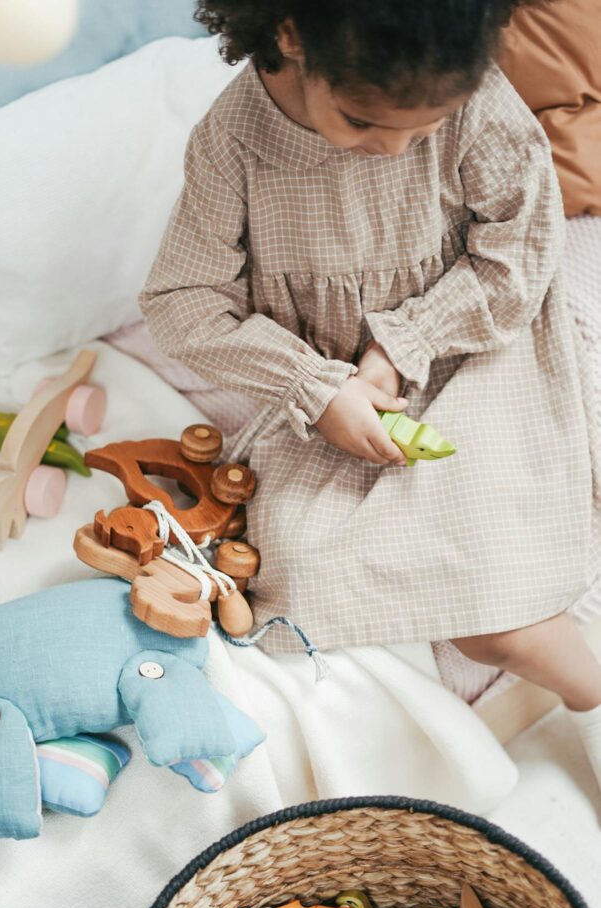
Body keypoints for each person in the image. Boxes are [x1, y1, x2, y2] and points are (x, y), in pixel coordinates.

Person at [141, 1, 601, 793]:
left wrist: (399, 351)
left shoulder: (476, 101)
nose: (391, 150)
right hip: (328, 384)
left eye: (420, 132)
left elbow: (518, 250)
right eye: (361, 121)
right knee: (308, 573)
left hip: (470, 343)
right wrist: (314, 388)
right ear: (290, 33)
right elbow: (183, 298)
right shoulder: (234, 143)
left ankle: (588, 693)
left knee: (501, 624)